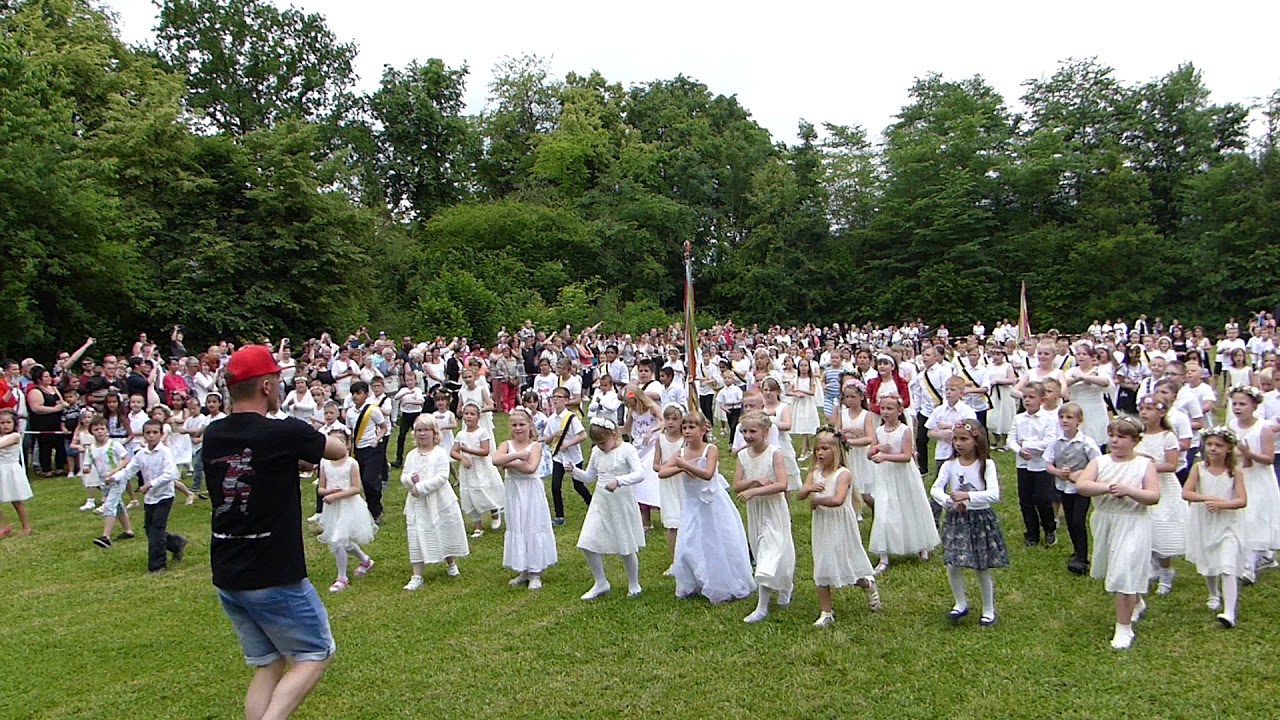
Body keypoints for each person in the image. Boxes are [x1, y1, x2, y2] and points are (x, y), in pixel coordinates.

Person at [203, 345, 348, 720]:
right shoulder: (285, 431)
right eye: (278, 380)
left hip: (228, 572)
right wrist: (303, 443)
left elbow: (254, 463)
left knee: (269, 663)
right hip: (273, 571)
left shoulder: (213, 434)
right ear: (266, 386)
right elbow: (336, 449)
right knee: (317, 651)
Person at [1073, 417, 1161, 650]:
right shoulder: (1100, 462)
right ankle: (1136, 601)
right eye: (1112, 435)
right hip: (1106, 521)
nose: (1115, 440)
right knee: (1117, 568)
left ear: (1134, 441)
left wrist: (1130, 491)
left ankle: (1123, 629)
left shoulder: (1144, 465)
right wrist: (1107, 488)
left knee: (1123, 571)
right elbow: (1082, 485)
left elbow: (1153, 496)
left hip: (1133, 522)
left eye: (1121, 437)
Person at [667, 410, 755, 604]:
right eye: (685, 427)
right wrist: (681, 466)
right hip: (691, 503)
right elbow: (663, 471)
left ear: (703, 430)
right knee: (689, 540)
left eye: (692, 427)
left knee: (715, 541)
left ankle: (723, 581)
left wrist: (686, 466)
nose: (687, 431)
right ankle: (692, 581)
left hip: (712, 504)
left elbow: (707, 473)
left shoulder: (711, 449)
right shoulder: (680, 453)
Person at [930, 420, 1008, 627]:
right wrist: (949, 501)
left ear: (976, 440)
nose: (958, 443)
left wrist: (968, 496)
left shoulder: (986, 465)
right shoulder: (949, 465)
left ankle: (988, 609)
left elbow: (993, 494)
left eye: (963, 439)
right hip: (957, 518)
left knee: (981, 565)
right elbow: (935, 488)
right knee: (953, 562)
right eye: (955, 439)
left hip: (979, 519)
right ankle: (960, 602)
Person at [799, 429, 880, 627]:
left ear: (837, 450)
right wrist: (808, 490)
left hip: (840, 524)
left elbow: (838, 499)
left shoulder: (843, 474)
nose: (820, 453)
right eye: (817, 449)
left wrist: (817, 500)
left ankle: (867, 584)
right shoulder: (814, 473)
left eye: (825, 448)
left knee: (844, 565)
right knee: (822, 565)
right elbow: (801, 494)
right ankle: (826, 612)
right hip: (822, 525)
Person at [571, 417, 648, 600]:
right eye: (596, 443)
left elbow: (639, 474)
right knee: (587, 541)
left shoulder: (626, 450)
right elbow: (590, 477)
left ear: (614, 435)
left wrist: (619, 481)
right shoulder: (597, 452)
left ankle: (634, 583)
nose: (600, 446)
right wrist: (574, 471)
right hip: (600, 501)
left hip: (621, 501)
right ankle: (601, 582)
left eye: (603, 442)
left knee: (625, 544)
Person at [733, 411, 796, 623]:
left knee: (773, 551)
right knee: (762, 550)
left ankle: (762, 607)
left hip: (774, 509)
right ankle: (784, 585)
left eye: (753, 431)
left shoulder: (775, 453)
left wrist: (754, 492)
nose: (748, 435)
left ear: (766, 432)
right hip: (756, 512)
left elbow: (781, 484)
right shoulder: (743, 456)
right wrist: (753, 482)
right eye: (744, 431)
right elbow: (737, 485)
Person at [1183, 427, 1248, 628]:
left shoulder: (1234, 472)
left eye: (1218, 445)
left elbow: (1242, 499)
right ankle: (1213, 593)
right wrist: (1206, 498)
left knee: (1227, 565)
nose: (1213, 449)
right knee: (1208, 559)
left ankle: (1229, 612)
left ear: (1229, 448)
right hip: (1205, 520)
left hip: (1228, 523)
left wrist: (1222, 505)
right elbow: (1186, 492)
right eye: (1210, 444)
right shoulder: (1199, 468)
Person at [869, 396, 941, 573]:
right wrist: (875, 450)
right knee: (884, 511)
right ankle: (884, 555)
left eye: (890, 408)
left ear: (899, 411)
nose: (885, 412)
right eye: (883, 408)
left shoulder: (904, 430)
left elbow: (906, 456)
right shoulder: (878, 431)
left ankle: (921, 544)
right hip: (885, 475)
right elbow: (870, 453)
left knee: (910, 507)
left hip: (903, 475)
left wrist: (886, 455)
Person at [105, 419, 187, 574]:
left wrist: (150, 484)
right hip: (150, 498)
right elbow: (129, 470)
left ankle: (157, 565)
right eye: (148, 433)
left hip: (165, 495)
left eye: (155, 432)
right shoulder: (141, 454)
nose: (151, 436)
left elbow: (171, 474)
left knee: (157, 528)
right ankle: (176, 543)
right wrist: (114, 477)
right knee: (149, 529)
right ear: (143, 435)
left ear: (161, 434)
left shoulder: (165, 452)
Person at [401, 415, 469, 589]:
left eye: (426, 430)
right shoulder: (411, 455)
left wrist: (421, 487)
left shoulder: (439, 453)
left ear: (434, 433)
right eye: (419, 431)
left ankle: (450, 562)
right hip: (417, 503)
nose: (422, 434)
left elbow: (441, 477)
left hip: (439, 500)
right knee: (416, 534)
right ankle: (417, 575)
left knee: (443, 529)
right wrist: (410, 480)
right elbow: (404, 475)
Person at [493, 408, 556, 590]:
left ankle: (535, 571)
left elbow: (531, 468)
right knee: (517, 525)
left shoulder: (535, 445)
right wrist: (518, 457)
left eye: (522, 425)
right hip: (514, 490)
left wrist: (508, 463)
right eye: (514, 425)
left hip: (530, 490)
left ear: (530, 426)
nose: (518, 428)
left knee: (532, 525)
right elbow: (496, 460)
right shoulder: (507, 444)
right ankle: (524, 569)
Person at [1225, 385, 1280, 581]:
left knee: (1254, 517)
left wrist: (1250, 454)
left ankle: (1249, 566)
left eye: (1242, 404)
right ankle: (1263, 555)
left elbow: (1268, 458)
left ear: (1254, 406)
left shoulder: (1263, 428)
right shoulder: (1232, 424)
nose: (1238, 408)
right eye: (1235, 404)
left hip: (1258, 478)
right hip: (1240, 475)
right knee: (1241, 518)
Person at [1134, 396, 1187, 595]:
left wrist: (1148, 465)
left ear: (1161, 413)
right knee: (1145, 527)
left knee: (1162, 528)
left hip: (1163, 488)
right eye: (1142, 408)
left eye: (1149, 409)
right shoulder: (1138, 435)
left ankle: (1166, 570)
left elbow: (1171, 465)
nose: (1144, 413)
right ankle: (1150, 566)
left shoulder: (1167, 437)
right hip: (1142, 487)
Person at [316, 429, 377, 593]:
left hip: (349, 506)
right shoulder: (324, 463)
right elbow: (321, 488)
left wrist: (337, 495)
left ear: (347, 445)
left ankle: (342, 577)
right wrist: (329, 493)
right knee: (343, 540)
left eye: (340, 442)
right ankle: (365, 560)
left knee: (338, 540)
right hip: (333, 507)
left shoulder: (351, 463)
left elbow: (356, 488)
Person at [1045, 403, 1102, 575]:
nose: (1065, 420)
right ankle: (1077, 550)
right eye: (1062, 417)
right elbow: (1048, 463)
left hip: (1081, 488)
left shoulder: (1086, 443)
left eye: (1069, 417)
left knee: (1078, 520)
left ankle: (1082, 557)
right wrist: (1057, 472)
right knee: (1070, 520)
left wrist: (1082, 474)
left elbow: (1098, 464)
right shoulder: (1056, 441)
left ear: (1079, 421)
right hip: (1064, 485)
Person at [1007, 382, 1057, 547]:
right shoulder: (1018, 418)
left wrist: (1026, 444)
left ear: (1041, 400)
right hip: (1023, 464)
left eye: (1031, 397)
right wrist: (1019, 450)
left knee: (1042, 499)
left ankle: (1049, 527)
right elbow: (1011, 439)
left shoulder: (1048, 420)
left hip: (1041, 464)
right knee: (1026, 500)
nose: (1027, 400)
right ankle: (1032, 533)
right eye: (1025, 397)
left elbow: (1049, 442)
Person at [452, 403, 505, 538]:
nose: (468, 417)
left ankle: (494, 510)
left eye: (472, 414)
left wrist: (468, 450)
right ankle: (477, 525)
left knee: (485, 490)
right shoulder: (460, 434)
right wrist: (462, 458)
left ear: (478, 417)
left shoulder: (482, 432)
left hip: (482, 467)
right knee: (470, 494)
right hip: (468, 470)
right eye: (466, 414)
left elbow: (485, 451)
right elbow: (453, 451)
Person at [543, 386, 590, 527]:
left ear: (566, 401)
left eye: (559, 397)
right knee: (555, 486)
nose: (555, 400)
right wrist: (553, 436)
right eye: (554, 397)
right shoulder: (551, 419)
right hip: (558, 457)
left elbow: (582, 435)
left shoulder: (571, 418)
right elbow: (546, 439)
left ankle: (592, 504)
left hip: (573, 457)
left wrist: (569, 443)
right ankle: (559, 515)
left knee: (578, 485)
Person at [86, 416, 135, 547]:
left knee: (110, 505)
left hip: (118, 479)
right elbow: (88, 463)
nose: (100, 431)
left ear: (107, 430)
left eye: (102, 428)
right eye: (96, 429)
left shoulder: (114, 445)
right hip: (105, 482)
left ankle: (105, 536)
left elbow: (126, 459)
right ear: (91, 431)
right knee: (118, 505)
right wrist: (86, 468)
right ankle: (128, 530)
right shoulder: (91, 449)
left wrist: (114, 472)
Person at [346, 380, 389, 524]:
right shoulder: (350, 412)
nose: (355, 396)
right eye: (353, 393)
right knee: (364, 482)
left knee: (370, 480)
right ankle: (371, 509)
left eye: (358, 393)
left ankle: (376, 510)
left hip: (372, 448)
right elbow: (350, 432)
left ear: (365, 394)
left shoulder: (373, 410)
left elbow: (383, 427)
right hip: (358, 450)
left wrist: (377, 439)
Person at [652, 403, 686, 567]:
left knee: (686, 521)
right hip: (668, 484)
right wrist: (667, 468)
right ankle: (674, 561)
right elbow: (656, 465)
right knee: (672, 523)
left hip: (683, 484)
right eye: (667, 419)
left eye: (675, 419)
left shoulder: (684, 440)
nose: (671, 422)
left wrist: (676, 467)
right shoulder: (660, 439)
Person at [0, 410, 32, 536]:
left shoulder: (15, 436)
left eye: (8, 422)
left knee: (16, 501)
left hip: (10, 470)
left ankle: (26, 526)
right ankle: (3, 526)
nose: (5, 425)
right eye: (2, 423)